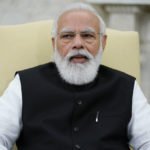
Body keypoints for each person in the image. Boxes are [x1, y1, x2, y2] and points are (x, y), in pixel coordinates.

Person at [0, 2, 150, 150]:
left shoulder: (125, 86)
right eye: (67, 36)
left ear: (103, 42)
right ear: (54, 43)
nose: (78, 44)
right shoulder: (24, 84)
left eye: (87, 35)